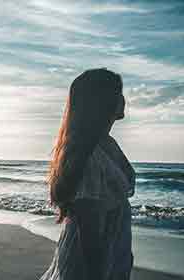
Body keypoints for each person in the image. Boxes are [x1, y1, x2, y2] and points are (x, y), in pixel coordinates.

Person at [39, 68, 136, 280]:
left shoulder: (108, 144)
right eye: (117, 91)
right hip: (90, 264)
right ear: (101, 100)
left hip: (112, 250)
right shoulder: (90, 155)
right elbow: (89, 226)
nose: (123, 98)